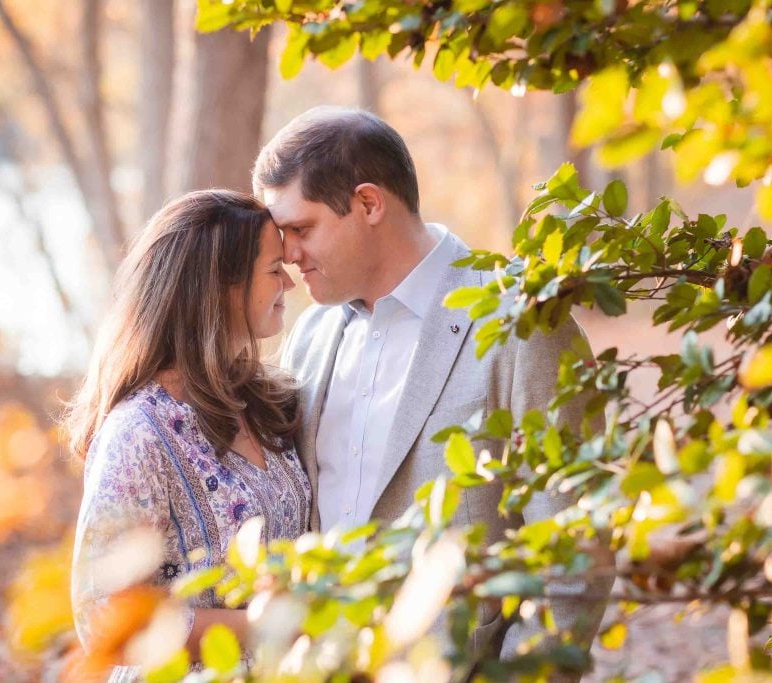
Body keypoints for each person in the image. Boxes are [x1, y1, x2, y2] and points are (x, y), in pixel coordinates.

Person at [255, 107, 614, 664]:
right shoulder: (311, 336)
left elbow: (575, 544)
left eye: (301, 229)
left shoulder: (521, 319)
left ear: (369, 204)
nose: (289, 254)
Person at [65, 190, 309, 675]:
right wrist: (272, 624)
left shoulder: (264, 403)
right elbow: (103, 613)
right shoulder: (139, 433)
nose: (290, 282)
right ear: (221, 288)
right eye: (273, 270)